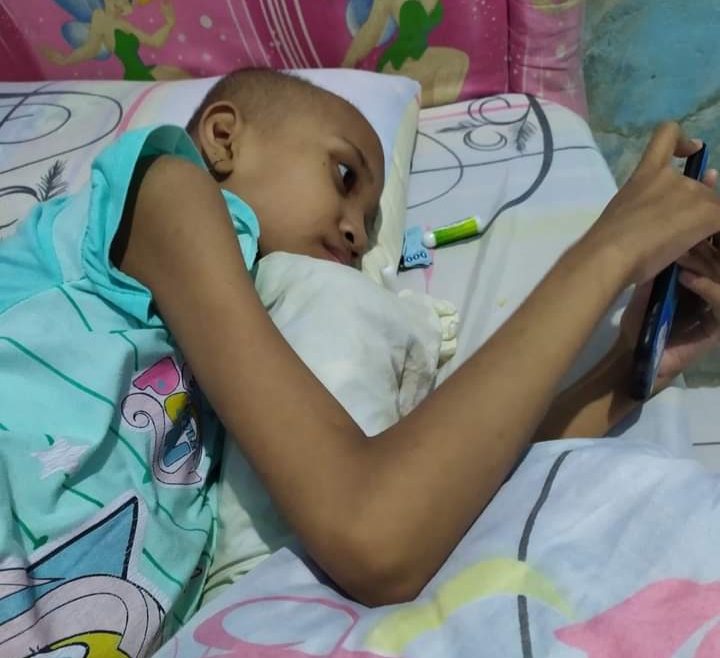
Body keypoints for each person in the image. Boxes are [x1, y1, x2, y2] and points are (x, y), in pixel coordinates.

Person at [1, 69, 720, 653]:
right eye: (344, 176)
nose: (356, 233)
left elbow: (433, 491)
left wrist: (624, 375)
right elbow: (375, 531)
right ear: (223, 138)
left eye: (373, 224)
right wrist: (605, 252)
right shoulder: (167, 190)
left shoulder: (232, 346)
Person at [342, 0, 469, 106]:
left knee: (459, 61)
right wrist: (346, 65)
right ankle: (413, 112)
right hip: (399, 61)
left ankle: (435, 113)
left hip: (420, 54)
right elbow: (369, 33)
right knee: (453, 62)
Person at [42, 0, 190, 81]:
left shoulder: (123, 24)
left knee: (180, 74)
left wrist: (169, 23)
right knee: (180, 79)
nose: (121, 6)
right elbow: (91, 49)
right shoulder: (100, 17)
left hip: (143, 70)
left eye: (126, 2)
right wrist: (65, 60)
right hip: (136, 75)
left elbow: (154, 42)